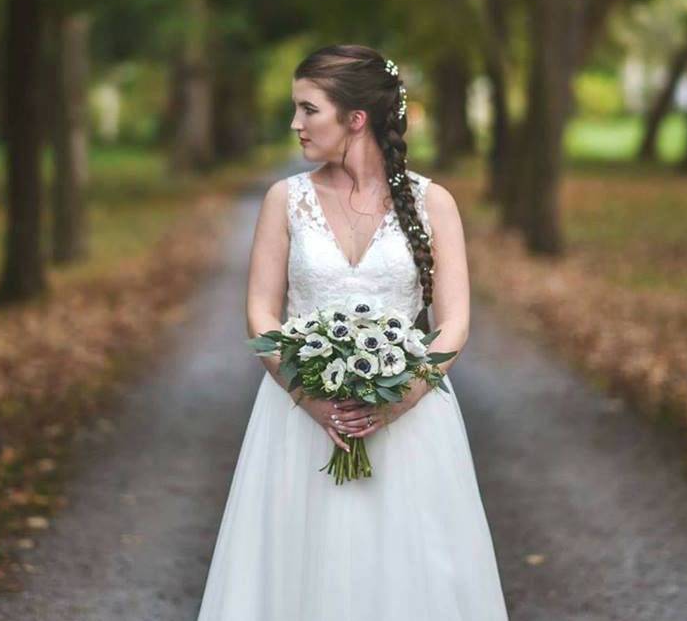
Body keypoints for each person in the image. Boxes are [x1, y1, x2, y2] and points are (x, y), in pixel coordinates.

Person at [195, 44, 509, 620]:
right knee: (298, 572)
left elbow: (454, 321)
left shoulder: (433, 202)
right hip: (298, 420)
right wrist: (307, 396)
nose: (295, 124)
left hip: (412, 424)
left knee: (410, 574)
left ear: (355, 119)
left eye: (308, 109)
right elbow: (262, 314)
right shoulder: (284, 201)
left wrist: (404, 396)